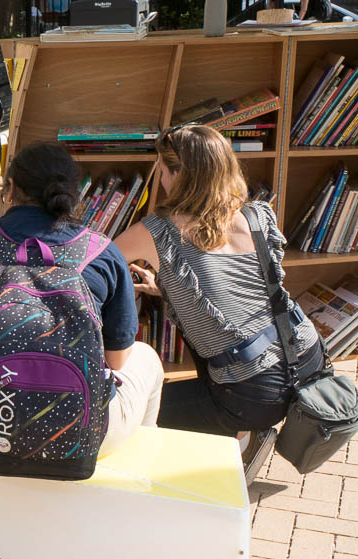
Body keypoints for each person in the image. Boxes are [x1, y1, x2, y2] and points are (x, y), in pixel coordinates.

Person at [0, 141, 163, 452]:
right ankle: (138, 468)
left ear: (10, 188)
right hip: (82, 436)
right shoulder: (103, 252)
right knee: (146, 357)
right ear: (72, 193)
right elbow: (116, 360)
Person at [115, 123, 326, 460]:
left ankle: (240, 434)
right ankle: (244, 426)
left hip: (256, 393)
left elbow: (95, 264)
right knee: (212, 339)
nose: (161, 178)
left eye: (163, 169)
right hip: (308, 362)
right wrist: (166, 288)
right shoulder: (257, 215)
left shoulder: (156, 231)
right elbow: (233, 290)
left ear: (178, 175)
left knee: (137, 407)